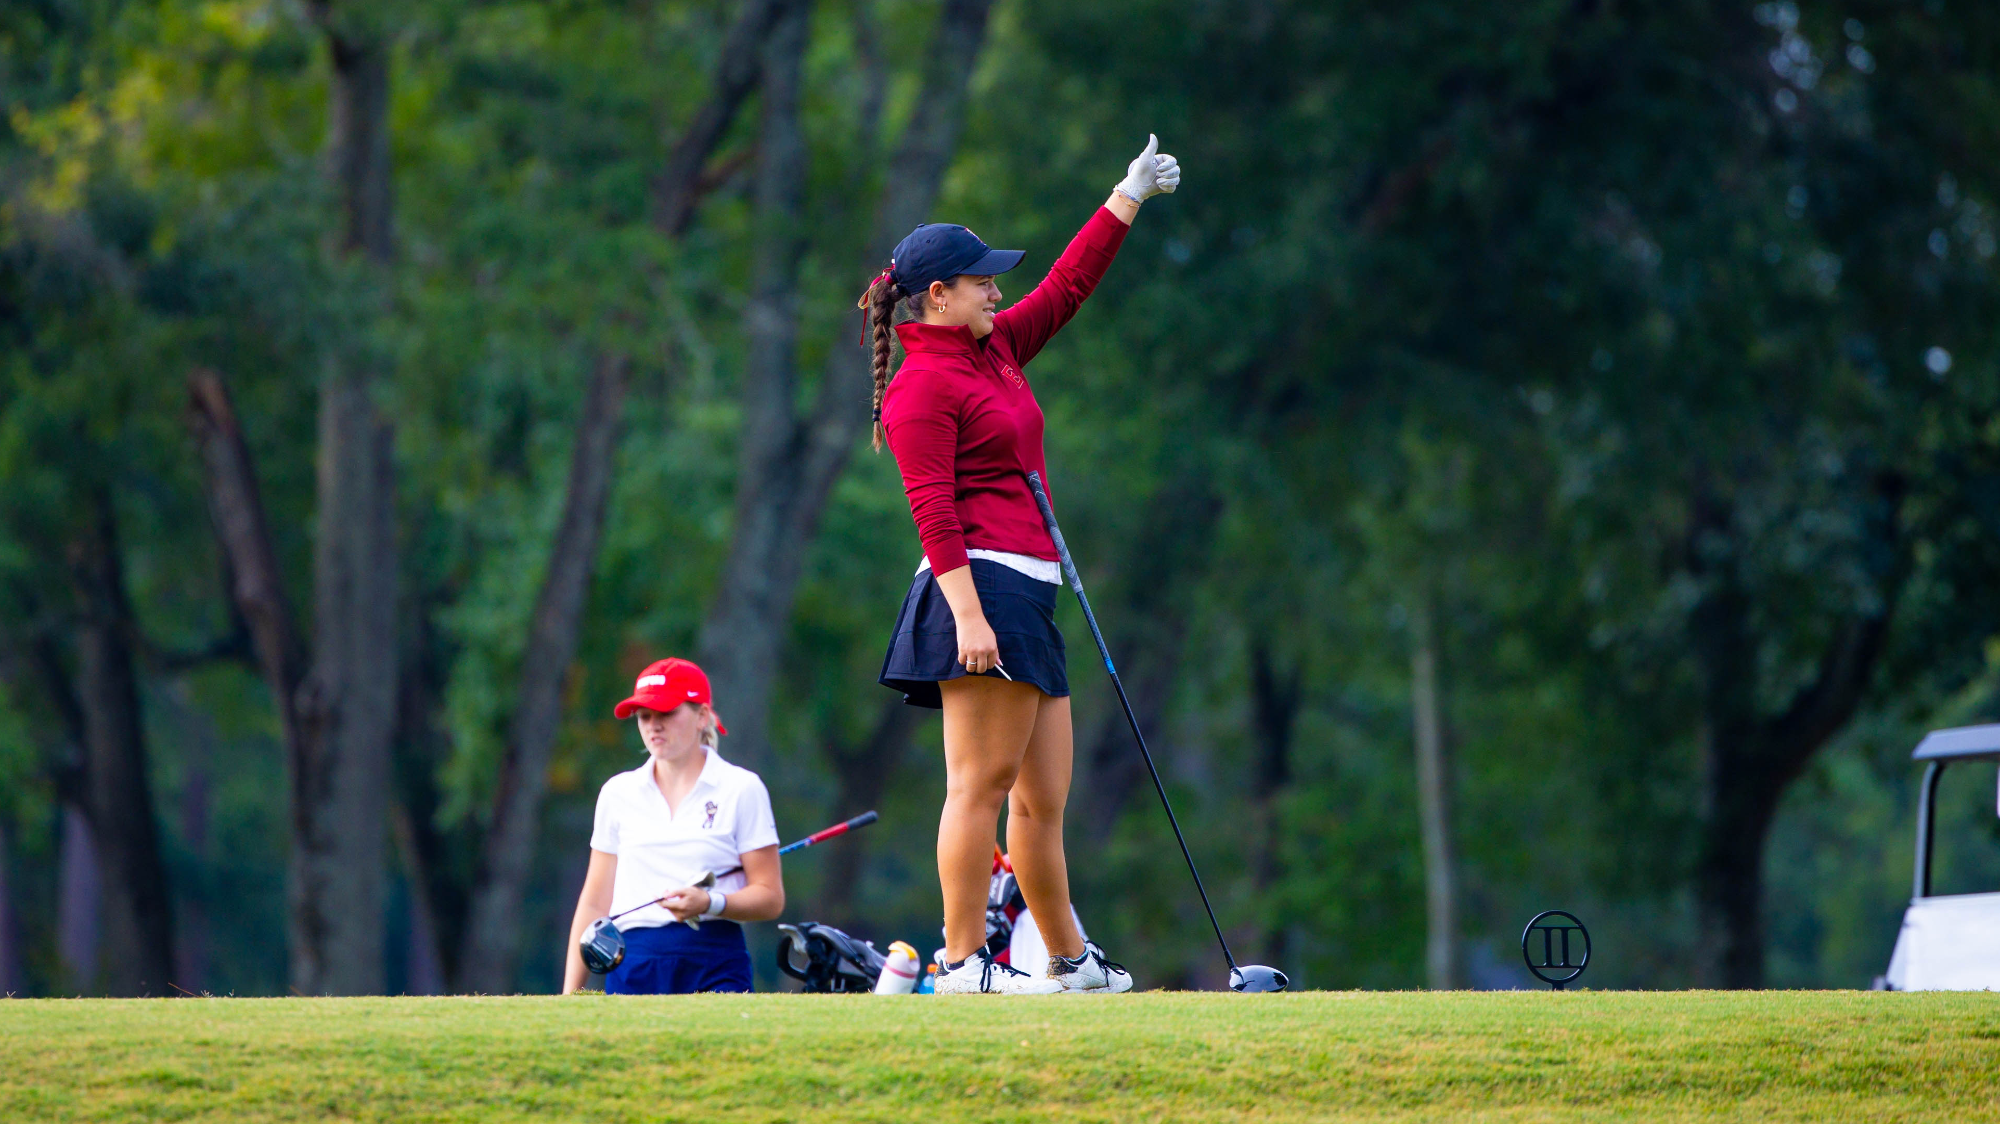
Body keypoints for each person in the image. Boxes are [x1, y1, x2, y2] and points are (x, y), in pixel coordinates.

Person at [860, 136, 1181, 993]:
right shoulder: (921, 386)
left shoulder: (990, 348)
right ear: (938, 295)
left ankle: (1070, 962)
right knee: (979, 785)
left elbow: (1068, 288)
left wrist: (1126, 196)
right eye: (981, 281)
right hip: (981, 591)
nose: (997, 292)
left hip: (1028, 591)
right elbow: (932, 509)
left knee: (1041, 800)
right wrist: (969, 617)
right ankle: (963, 962)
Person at [561, 658, 784, 994]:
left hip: (715, 961)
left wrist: (710, 903)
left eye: (666, 713)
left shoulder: (741, 788)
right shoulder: (617, 793)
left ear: (702, 716)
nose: (654, 725)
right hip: (633, 963)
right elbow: (594, 903)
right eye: (645, 716)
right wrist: (568, 996)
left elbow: (770, 897)